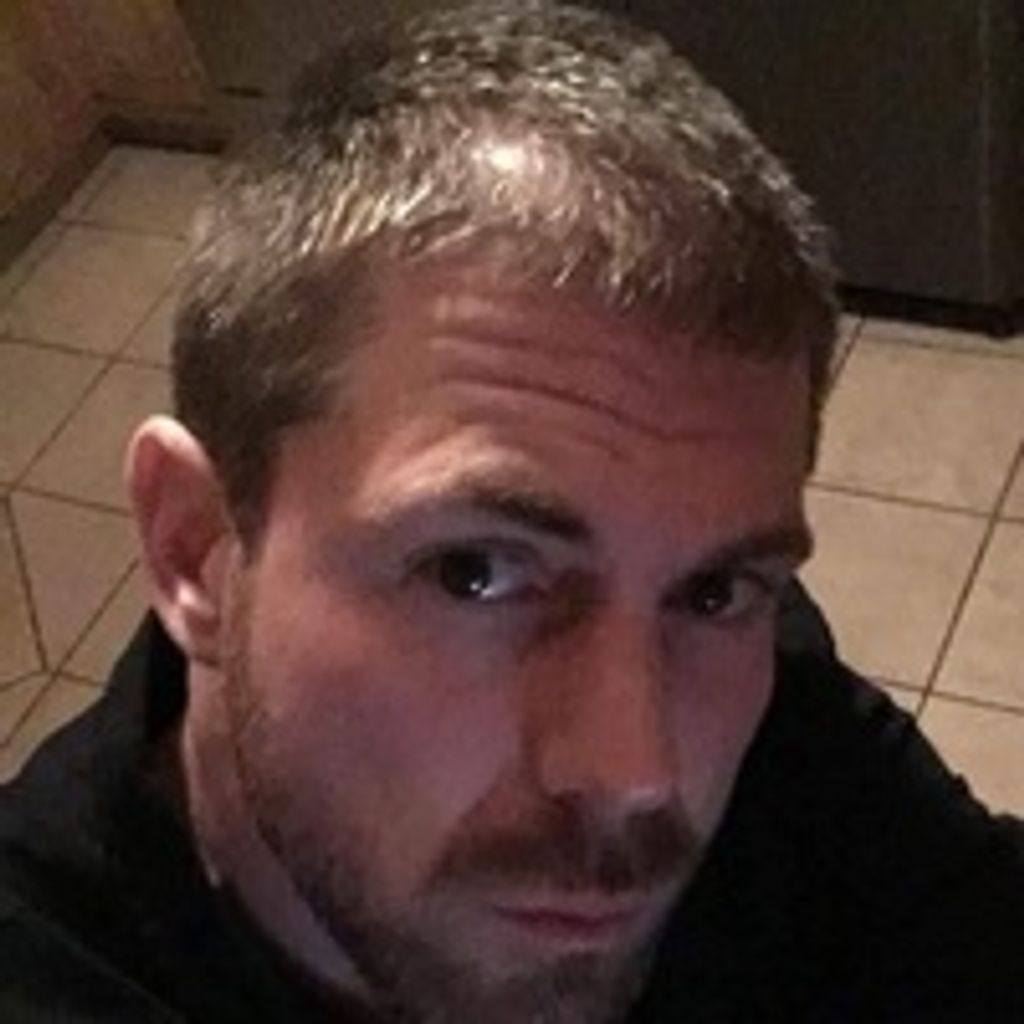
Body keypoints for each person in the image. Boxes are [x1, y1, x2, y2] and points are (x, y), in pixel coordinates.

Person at [1, 3, 1022, 1021]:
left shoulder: (766, 701)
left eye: (713, 588)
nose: (636, 773)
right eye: (476, 572)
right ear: (196, 546)